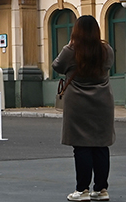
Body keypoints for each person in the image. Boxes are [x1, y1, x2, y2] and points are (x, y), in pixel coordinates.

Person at [53, 15, 115, 202]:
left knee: (81, 146)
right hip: (103, 101)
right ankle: (101, 189)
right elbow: (109, 66)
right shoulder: (106, 49)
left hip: (78, 102)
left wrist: (70, 46)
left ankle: (82, 190)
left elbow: (57, 66)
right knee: (101, 145)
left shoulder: (71, 49)